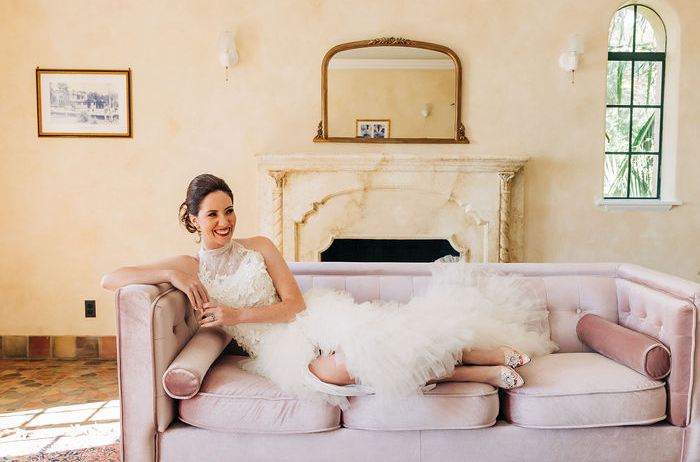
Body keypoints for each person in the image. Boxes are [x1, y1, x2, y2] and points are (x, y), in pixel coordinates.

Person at [101, 174, 556, 406]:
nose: (225, 222)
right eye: (213, 214)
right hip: (280, 348)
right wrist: (175, 276)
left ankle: (487, 357)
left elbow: (293, 303)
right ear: (193, 219)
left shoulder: (260, 246)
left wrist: (236, 316)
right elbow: (111, 278)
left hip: (311, 317)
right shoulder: (190, 264)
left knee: (381, 341)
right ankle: (481, 373)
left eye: (230, 211)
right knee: (352, 368)